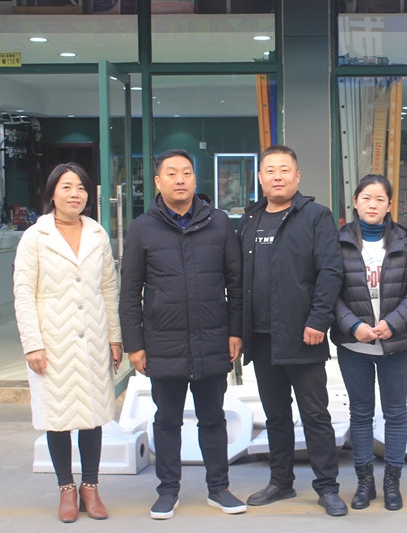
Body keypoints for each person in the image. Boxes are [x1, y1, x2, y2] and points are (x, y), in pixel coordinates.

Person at [119, 148, 246, 519]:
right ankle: (167, 491)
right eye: (171, 173)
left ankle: (219, 488)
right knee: (167, 421)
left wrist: (235, 331)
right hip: (163, 340)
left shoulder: (219, 223)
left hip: (212, 337)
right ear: (158, 181)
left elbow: (236, 284)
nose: (180, 180)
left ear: (195, 179)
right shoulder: (143, 227)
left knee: (213, 418)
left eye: (186, 173)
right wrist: (134, 344)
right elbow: (130, 291)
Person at [238, 144, 348, 517]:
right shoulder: (249, 220)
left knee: (315, 414)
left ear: (297, 176)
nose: (277, 177)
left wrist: (318, 320)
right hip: (261, 336)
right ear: (260, 177)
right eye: (270, 170)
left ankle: (327, 487)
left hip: (304, 334)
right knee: (275, 415)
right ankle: (280, 482)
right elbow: (239, 279)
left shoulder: (316, 216)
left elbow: (330, 272)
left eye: (284, 170)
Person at [13, 162, 122, 523]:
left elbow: (109, 288)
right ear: (52, 193)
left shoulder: (97, 234)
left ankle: (90, 487)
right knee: (57, 415)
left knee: (92, 415)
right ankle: (66, 489)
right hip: (52, 340)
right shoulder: (35, 236)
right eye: (67, 187)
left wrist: (115, 336)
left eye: (81, 188)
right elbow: (23, 293)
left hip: (93, 336)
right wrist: (33, 343)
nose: (75, 194)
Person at [330, 174, 407, 511]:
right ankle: (364, 482)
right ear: (355, 202)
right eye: (366, 198)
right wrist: (352, 325)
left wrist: (393, 323)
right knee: (360, 414)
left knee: (396, 413)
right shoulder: (338, 242)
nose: (372, 204)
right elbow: (328, 292)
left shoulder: (405, 242)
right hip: (354, 346)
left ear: (389, 206)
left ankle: (392, 483)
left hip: (396, 345)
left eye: (380, 199)